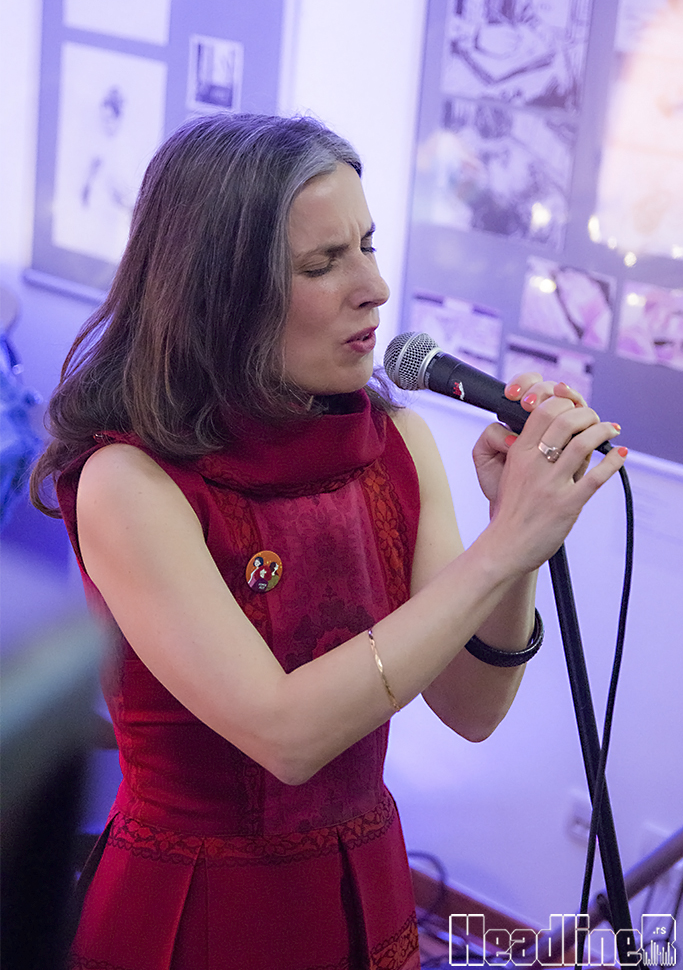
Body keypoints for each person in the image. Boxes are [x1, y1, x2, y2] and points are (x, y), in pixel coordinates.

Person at [31, 112, 626, 970]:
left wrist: (515, 543)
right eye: (322, 264)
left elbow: (472, 708)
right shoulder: (130, 481)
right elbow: (286, 737)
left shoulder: (397, 444)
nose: (373, 287)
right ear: (220, 294)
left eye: (368, 246)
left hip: (362, 880)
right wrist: (502, 548)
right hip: (199, 907)